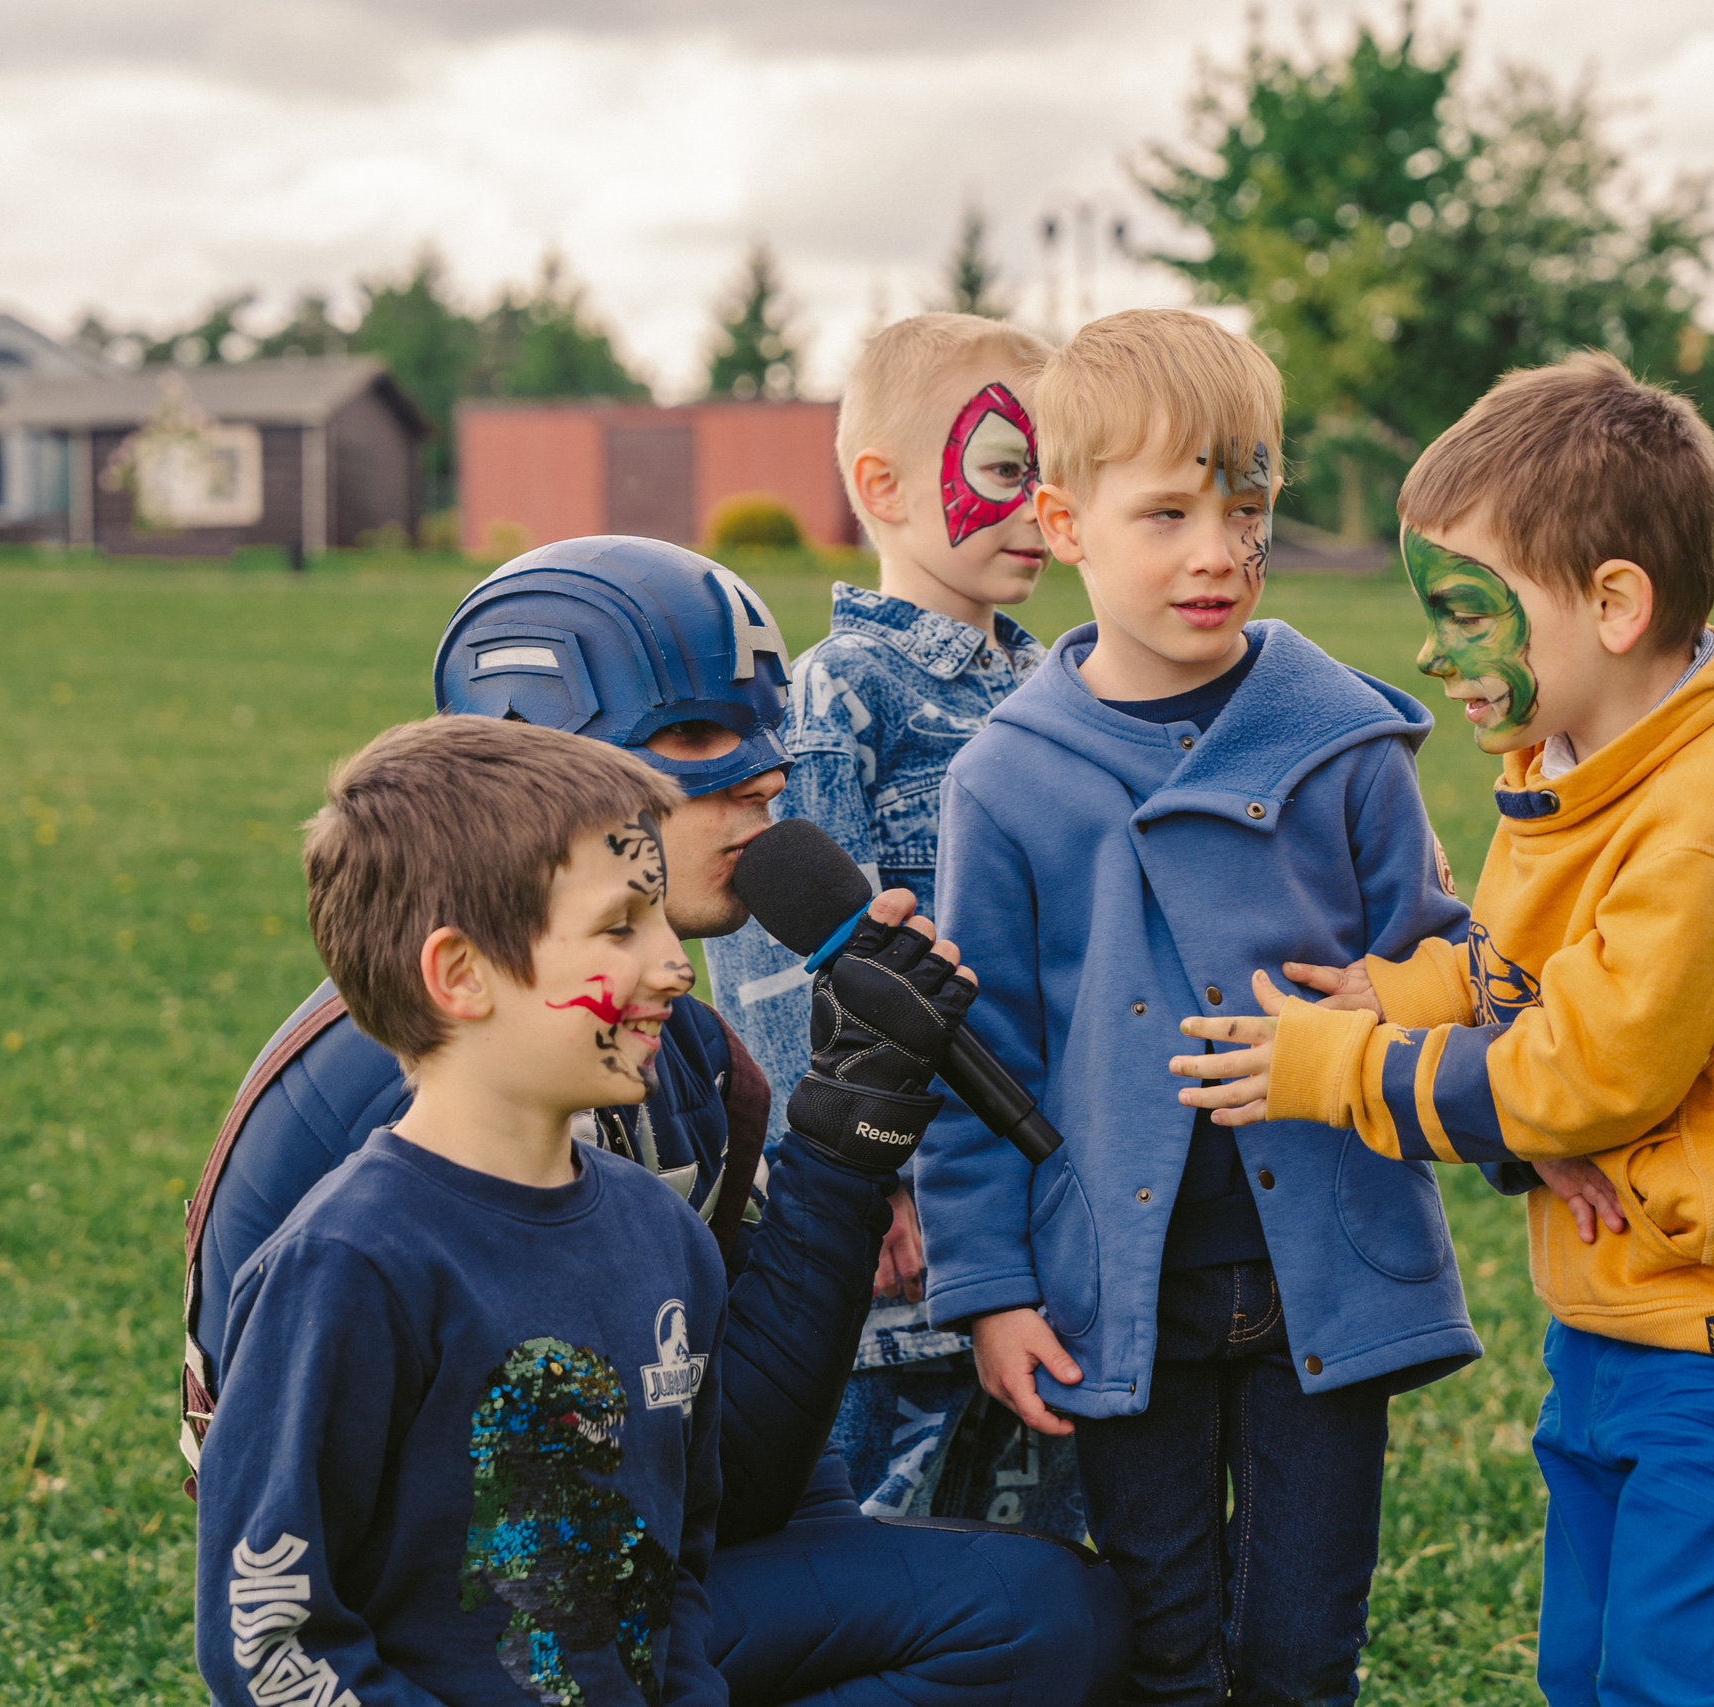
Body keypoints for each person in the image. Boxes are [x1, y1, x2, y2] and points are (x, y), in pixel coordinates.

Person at [186, 537, 1129, 1707]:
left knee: (1053, 1618)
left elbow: (736, 1482)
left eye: (762, 728)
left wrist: (851, 1126)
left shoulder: (670, 1056)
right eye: (692, 739)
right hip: (443, 1615)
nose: (767, 780)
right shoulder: (384, 1139)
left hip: (619, 1580)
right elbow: (282, 1592)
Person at [1176, 352, 1714, 1707]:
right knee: (1581, 1668)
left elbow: (1583, 1075)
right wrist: (1393, 994)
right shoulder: (1561, 765)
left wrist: (1334, 1067)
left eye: (1465, 610)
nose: (1429, 649)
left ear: (1615, 604)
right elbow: (1518, 970)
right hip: (1621, 1313)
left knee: (1669, 1676)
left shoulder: (1709, 816)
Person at [911, 309, 1486, 1707]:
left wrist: (1491, 1077)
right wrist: (988, 1290)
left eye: (1246, 507)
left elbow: (1445, 959)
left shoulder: (1345, 744)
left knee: (1298, 1650)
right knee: (1167, 1644)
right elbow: (979, 1055)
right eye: (1166, 513)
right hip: (1122, 1287)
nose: (1218, 550)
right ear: (1062, 522)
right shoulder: (1008, 777)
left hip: (1320, 1274)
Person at [195, 715, 733, 1704]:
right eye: (621, 926)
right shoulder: (349, 1266)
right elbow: (268, 1634)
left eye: (659, 918)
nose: (673, 964)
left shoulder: (671, 1243)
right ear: (460, 976)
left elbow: (677, 1575)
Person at [706, 311, 1088, 1534]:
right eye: (1003, 470)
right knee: (898, 1516)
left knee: (1031, 1517)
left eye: (1055, 473)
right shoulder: (838, 699)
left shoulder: (1061, 692)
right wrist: (870, 1183)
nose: (1039, 507)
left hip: (1039, 1195)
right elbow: (783, 957)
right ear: (881, 485)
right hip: (901, 1238)